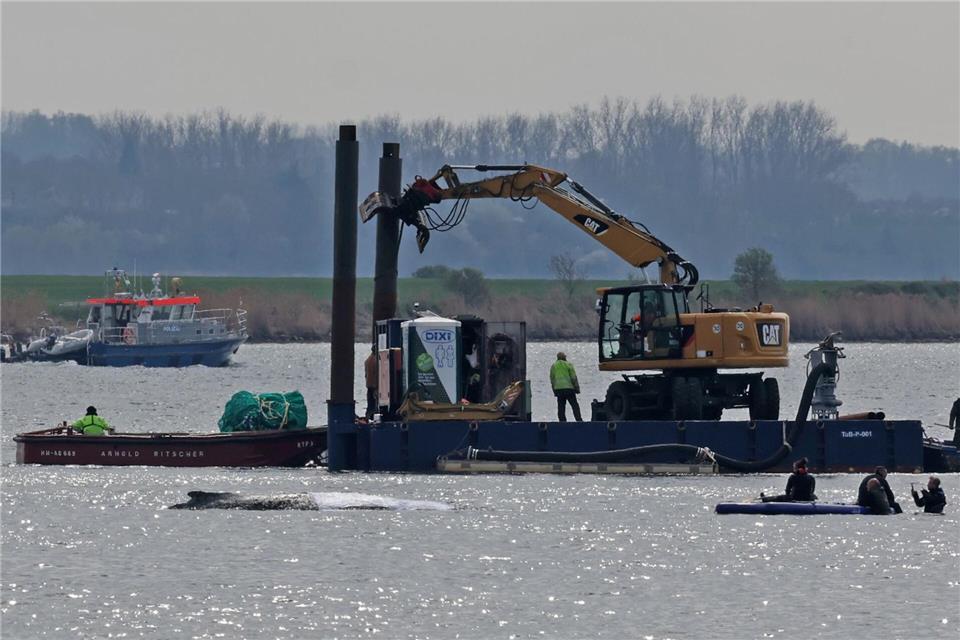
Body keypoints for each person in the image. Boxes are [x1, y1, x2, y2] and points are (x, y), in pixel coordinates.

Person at [550, 352, 582, 422]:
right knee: (574, 405)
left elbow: (552, 379)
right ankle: (579, 420)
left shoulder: (553, 366)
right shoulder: (568, 364)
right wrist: (577, 388)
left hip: (558, 389)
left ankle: (562, 422)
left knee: (561, 406)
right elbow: (573, 378)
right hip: (569, 389)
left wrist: (554, 391)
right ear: (565, 357)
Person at [364, 348, 378, 420]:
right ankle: (371, 416)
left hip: (369, 385)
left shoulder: (367, 360)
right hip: (374, 385)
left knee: (370, 404)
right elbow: (376, 374)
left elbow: (366, 374)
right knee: (373, 403)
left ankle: (368, 417)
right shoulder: (376, 361)